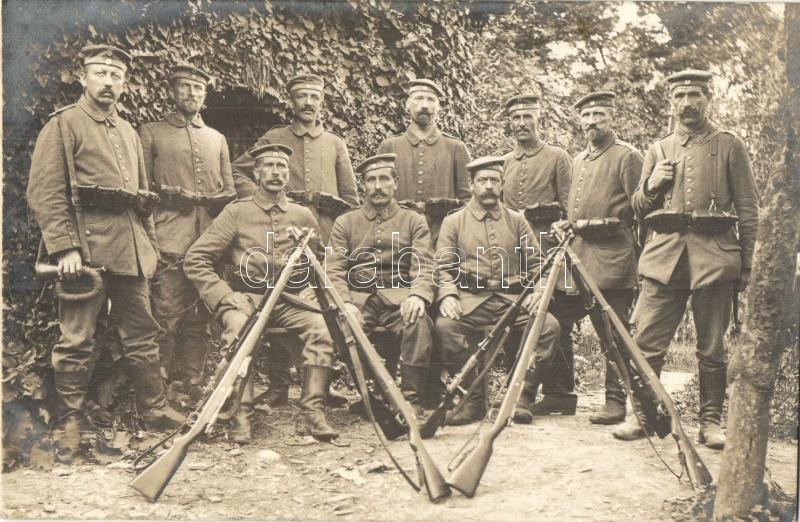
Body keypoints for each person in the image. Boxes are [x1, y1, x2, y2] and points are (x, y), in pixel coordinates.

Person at [26, 44, 183, 460]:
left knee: (142, 332)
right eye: (100, 73)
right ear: (84, 77)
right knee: (77, 337)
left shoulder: (128, 131)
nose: (108, 81)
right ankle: (70, 422)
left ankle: (155, 409)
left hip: (130, 248)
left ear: (124, 84)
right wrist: (65, 248)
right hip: (86, 249)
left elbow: (142, 199)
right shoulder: (63, 125)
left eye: (116, 75)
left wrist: (149, 248)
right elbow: (45, 191)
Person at [616, 70, 759, 449]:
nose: (686, 103)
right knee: (646, 342)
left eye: (694, 94)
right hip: (664, 259)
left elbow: (748, 208)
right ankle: (642, 415)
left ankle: (710, 423)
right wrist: (652, 184)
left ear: (708, 98)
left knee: (712, 348)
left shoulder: (729, 145)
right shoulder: (658, 149)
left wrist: (748, 265)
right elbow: (637, 208)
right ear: (671, 102)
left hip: (715, 259)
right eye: (679, 96)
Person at [184, 143, 340, 443]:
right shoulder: (236, 212)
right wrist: (224, 294)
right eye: (269, 166)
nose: (276, 172)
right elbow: (196, 258)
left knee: (321, 329)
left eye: (282, 167)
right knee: (238, 329)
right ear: (256, 173)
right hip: (248, 298)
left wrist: (312, 287)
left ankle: (313, 412)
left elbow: (320, 260)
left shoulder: (302, 214)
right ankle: (241, 414)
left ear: (288, 174)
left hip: (289, 300)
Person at [230, 73, 359, 407]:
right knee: (277, 295)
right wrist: (261, 199)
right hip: (281, 231)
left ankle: (322, 385)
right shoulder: (276, 137)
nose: (308, 103)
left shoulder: (335, 143)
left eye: (314, 97)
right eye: (302, 96)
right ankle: (278, 385)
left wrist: (343, 233)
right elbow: (238, 170)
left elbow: (350, 199)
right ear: (292, 101)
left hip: (322, 234)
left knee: (320, 305)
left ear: (322, 102)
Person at [434, 156, 562, 425]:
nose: (489, 186)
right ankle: (472, 400)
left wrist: (539, 290)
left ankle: (521, 397)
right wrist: (448, 295)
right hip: (471, 300)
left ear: (502, 184)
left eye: (494, 180)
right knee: (446, 328)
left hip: (512, 299)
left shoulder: (517, 220)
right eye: (482, 180)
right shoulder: (454, 222)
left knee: (548, 327)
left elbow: (538, 264)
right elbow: (443, 267)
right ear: (472, 185)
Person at [540, 91, 642, 424]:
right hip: (577, 259)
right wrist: (567, 224)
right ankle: (559, 394)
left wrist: (638, 259)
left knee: (612, 331)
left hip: (613, 260)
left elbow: (640, 212)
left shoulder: (627, 156)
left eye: (599, 114)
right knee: (555, 320)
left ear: (612, 118)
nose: (592, 121)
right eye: (586, 116)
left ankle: (616, 402)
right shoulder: (579, 159)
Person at [139, 63, 235, 389]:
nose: (192, 93)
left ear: (205, 95)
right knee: (165, 313)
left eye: (198, 88)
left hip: (208, 241)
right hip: (168, 237)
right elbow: (142, 190)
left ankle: (193, 380)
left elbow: (229, 191)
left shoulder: (217, 138)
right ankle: (158, 387)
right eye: (185, 86)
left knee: (201, 315)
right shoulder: (151, 132)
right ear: (173, 91)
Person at [327, 153, 436, 417]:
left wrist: (418, 296)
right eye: (371, 180)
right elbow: (334, 268)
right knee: (342, 326)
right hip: (359, 298)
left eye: (384, 179)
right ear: (363, 185)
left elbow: (423, 264)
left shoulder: (413, 220)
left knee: (419, 322)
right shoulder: (346, 222)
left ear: (395, 183)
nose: (378, 186)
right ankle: (373, 395)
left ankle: (411, 397)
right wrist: (345, 303)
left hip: (400, 298)